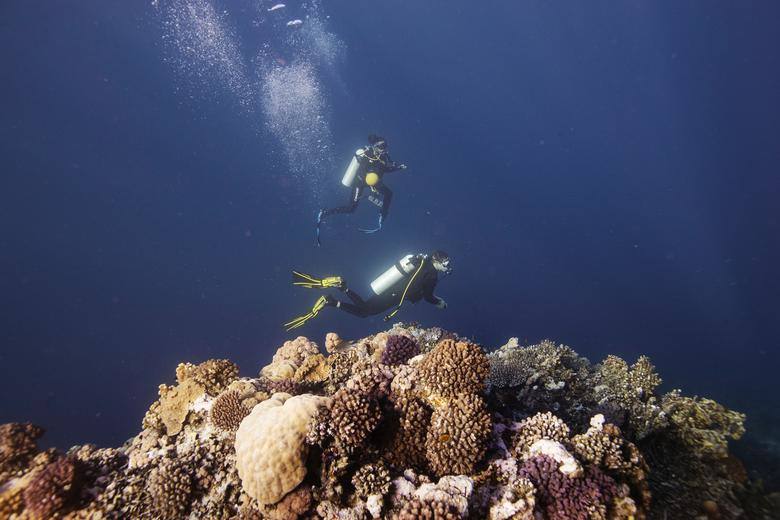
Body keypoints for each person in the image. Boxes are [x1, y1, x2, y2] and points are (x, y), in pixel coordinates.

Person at [284, 250, 451, 330]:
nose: (447, 267)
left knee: (365, 311)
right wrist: (440, 303)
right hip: (395, 294)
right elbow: (428, 296)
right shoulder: (432, 275)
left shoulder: (423, 262)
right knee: (366, 311)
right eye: (446, 263)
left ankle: (335, 298)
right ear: (438, 261)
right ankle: (337, 292)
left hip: (392, 289)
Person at [316, 134, 407, 244]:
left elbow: (386, 168)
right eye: (381, 146)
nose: (384, 149)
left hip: (373, 182)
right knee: (351, 208)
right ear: (374, 146)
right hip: (360, 182)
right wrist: (373, 178)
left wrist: (397, 167)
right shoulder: (366, 155)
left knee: (389, 194)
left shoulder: (384, 157)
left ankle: (382, 215)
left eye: (385, 146)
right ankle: (325, 212)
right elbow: (366, 171)